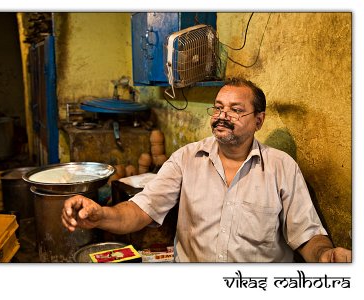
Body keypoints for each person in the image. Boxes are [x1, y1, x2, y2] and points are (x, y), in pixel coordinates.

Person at [61, 77, 352, 263]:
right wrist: (100, 214)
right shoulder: (186, 158)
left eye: (236, 110)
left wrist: (326, 255)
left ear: (259, 121)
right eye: (218, 107)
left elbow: (308, 235)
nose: (223, 116)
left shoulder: (281, 168)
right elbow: (139, 211)